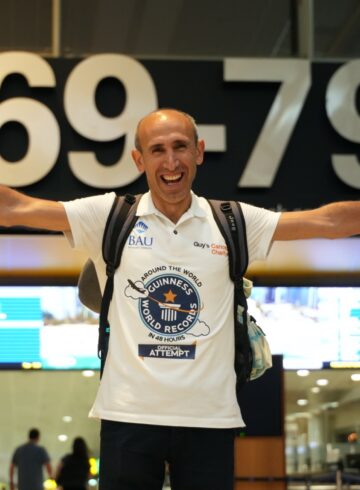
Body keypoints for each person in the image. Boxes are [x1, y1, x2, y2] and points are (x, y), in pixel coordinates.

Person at [1, 108, 360, 490]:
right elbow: (17, 208)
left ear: (199, 152)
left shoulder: (233, 222)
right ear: (139, 159)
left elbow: (327, 222)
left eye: (180, 147)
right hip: (128, 417)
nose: (170, 162)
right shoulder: (108, 216)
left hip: (210, 419)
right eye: (157, 150)